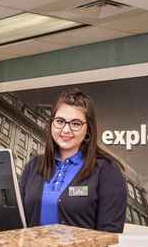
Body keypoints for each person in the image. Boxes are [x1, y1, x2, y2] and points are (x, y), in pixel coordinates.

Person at [20, 88, 127, 233]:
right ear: (51, 123)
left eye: (75, 124)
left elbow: (110, 234)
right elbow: (17, 221)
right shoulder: (33, 166)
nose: (65, 130)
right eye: (59, 121)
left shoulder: (107, 171)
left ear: (88, 129)